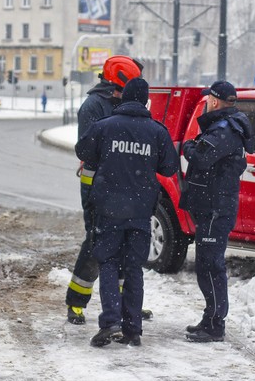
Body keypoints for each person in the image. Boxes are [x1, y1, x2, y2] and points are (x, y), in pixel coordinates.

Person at [75, 78, 178, 347]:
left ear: (122, 98)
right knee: (134, 268)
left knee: (109, 263)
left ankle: (110, 322)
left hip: (109, 209)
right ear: (145, 101)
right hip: (141, 212)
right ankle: (133, 329)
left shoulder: (105, 126)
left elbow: (83, 150)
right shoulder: (157, 131)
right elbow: (170, 167)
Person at [65, 55, 146, 324]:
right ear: (114, 85)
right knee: (96, 241)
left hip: (123, 184)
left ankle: (124, 303)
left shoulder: (122, 103)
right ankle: (76, 301)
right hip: (96, 184)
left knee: (124, 242)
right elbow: (89, 150)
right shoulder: (93, 106)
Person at [180, 81, 253, 343]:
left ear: (213, 101)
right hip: (214, 206)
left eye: (208, 100)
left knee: (210, 266)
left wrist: (188, 147)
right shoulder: (227, 126)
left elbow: (201, 157)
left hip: (215, 209)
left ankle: (214, 325)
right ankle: (210, 317)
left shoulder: (224, 129)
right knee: (207, 265)